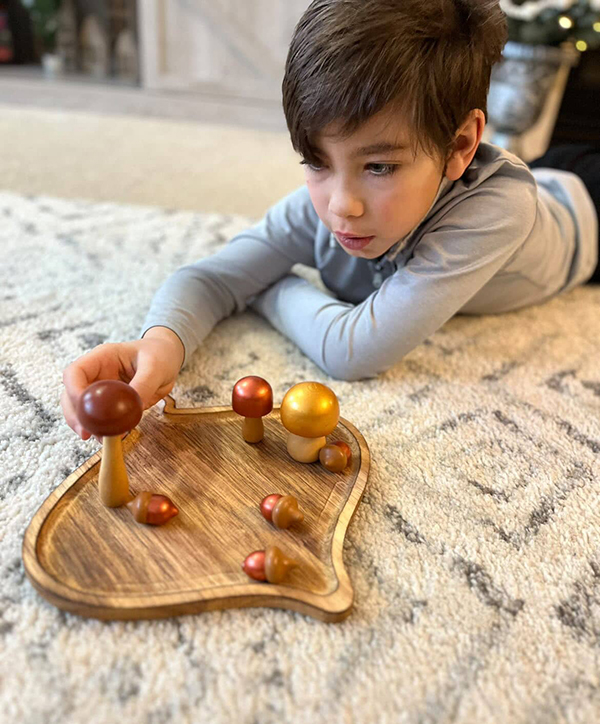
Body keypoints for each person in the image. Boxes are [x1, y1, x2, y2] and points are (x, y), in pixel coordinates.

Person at [61, 0, 599, 440]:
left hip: (584, 210)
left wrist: (270, 287)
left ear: (460, 146)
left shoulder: (496, 211)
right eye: (317, 162)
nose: (342, 205)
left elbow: (353, 350)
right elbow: (208, 277)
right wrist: (160, 342)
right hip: (549, 168)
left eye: (379, 166)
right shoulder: (318, 210)